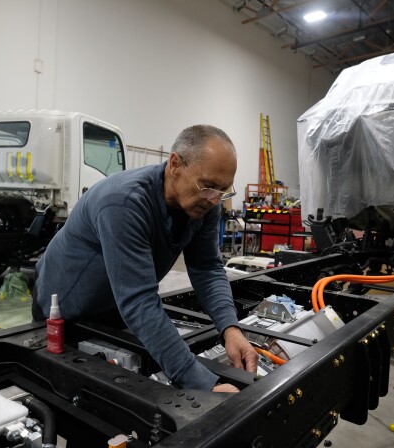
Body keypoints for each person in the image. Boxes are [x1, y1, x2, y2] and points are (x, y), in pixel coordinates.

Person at [33, 124, 258, 392]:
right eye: (208, 186)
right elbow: (139, 300)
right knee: (68, 397)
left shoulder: (204, 205)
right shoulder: (123, 203)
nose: (213, 199)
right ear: (175, 164)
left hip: (114, 311)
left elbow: (207, 268)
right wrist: (204, 385)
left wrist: (230, 329)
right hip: (62, 314)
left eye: (223, 190)